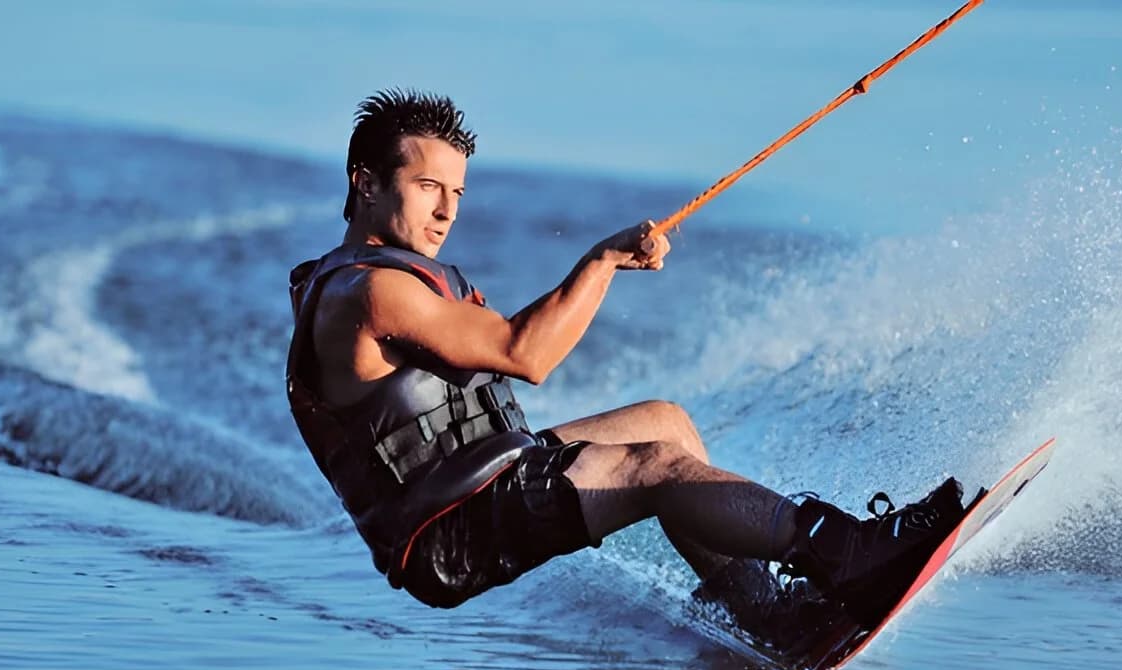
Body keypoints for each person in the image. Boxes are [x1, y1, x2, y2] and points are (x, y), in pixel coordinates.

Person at [286, 89, 967, 632]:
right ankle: (848, 554)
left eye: (457, 193)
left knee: (664, 424)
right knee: (657, 470)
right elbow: (526, 354)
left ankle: (763, 610)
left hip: (489, 478)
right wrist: (604, 260)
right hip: (448, 534)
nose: (445, 212)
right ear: (366, 182)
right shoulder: (367, 292)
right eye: (427, 186)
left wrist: (605, 265)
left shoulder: (386, 277)